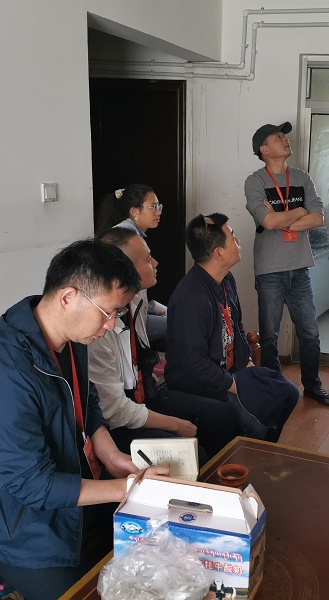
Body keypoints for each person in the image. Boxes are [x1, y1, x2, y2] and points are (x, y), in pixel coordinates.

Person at [0, 239, 169, 600]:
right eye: (108, 312)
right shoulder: (5, 374)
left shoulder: (71, 336)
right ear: (68, 297)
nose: (111, 325)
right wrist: (126, 488)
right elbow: (30, 484)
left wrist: (110, 454)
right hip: (30, 535)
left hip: (79, 500)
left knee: (166, 557)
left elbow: (86, 399)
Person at [89, 227, 236, 461]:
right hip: (118, 424)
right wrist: (175, 424)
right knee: (194, 454)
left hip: (146, 397)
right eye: (148, 259)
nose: (156, 263)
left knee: (223, 414)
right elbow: (115, 411)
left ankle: (216, 477)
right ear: (124, 269)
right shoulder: (97, 330)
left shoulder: (135, 303)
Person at [166, 213, 299, 442]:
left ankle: (262, 451)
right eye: (233, 237)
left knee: (289, 393)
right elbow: (195, 365)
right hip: (200, 384)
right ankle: (246, 455)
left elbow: (236, 327)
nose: (238, 241)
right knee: (256, 424)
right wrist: (236, 385)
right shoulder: (191, 297)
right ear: (219, 253)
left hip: (232, 371)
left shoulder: (226, 279)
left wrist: (247, 363)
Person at [244, 121, 329, 407]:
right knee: (269, 336)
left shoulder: (301, 177)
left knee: (310, 333)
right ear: (263, 149)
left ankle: (312, 386)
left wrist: (281, 218)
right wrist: (299, 211)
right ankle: (275, 388)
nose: (285, 139)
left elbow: (318, 218)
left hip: (299, 269)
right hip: (270, 270)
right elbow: (266, 221)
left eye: (284, 136)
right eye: (278, 137)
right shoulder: (255, 181)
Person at [95, 184, 168, 349]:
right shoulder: (128, 239)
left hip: (135, 314)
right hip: (125, 320)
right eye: (153, 207)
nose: (159, 212)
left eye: (159, 207)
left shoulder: (131, 233)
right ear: (135, 211)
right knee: (178, 325)